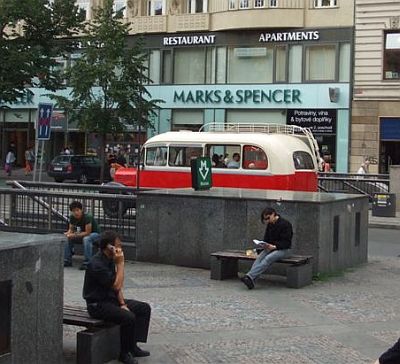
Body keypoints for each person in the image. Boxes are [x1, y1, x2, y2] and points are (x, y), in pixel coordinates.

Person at [83, 231, 151, 364]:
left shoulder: (108, 259)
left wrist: (122, 303)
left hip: (110, 300)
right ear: (109, 247)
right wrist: (120, 263)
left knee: (143, 308)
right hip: (97, 304)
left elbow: (117, 287)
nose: (121, 248)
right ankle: (124, 353)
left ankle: (133, 346)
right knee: (128, 317)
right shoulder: (96, 264)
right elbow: (116, 284)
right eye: (118, 245)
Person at [241, 207, 293, 290]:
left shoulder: (286, 224)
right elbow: (267, 239)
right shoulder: (270, 225)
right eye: (265, 219)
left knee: (269, 258)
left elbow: (286, 242)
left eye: (268, 218)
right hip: (271, 248)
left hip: (284, 250)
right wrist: (264, 245)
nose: (267, 221)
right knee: (260, 258)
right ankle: (251, 279)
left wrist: (275, 246)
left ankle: (249, 276)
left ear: (273, 214)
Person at [64, 201, 101, 270]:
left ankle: (87, 263)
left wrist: (74, 235)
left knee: (86, 239)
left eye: (77, 210)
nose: (76, 213)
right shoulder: (72, 217)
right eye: (73, 211)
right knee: (67, 238)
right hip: (82, 234)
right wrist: (68, 234)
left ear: (81, 210)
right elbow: (71, 230)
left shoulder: (87, 217)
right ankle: (67, 260)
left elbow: (88, 232)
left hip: (95, 234)